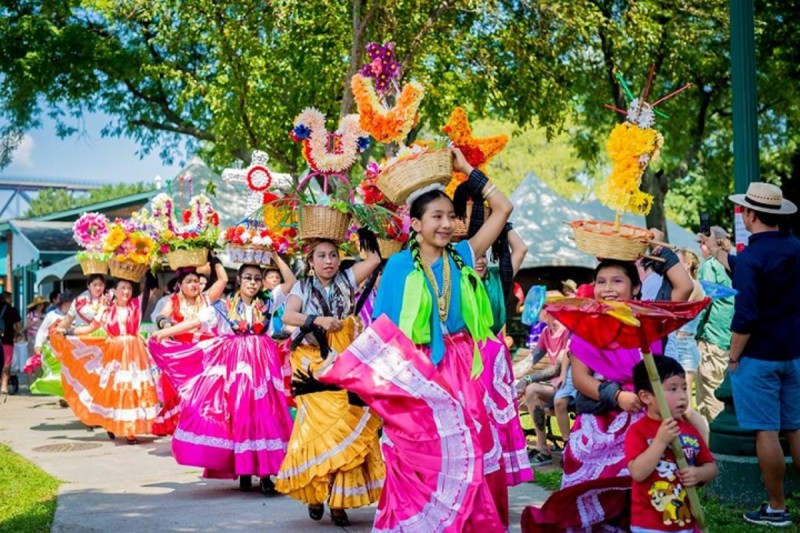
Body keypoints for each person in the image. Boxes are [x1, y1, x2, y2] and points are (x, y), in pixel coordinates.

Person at [371, 147, 514, 528]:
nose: (447, 223)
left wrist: (469, 171)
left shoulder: (464, 254)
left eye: (451, 216)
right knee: (418, 455)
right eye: (437, 216)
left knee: (470, 453)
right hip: (417, 370)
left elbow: (503, 208)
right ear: (415, 225)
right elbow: (381, 329)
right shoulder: (399, 265)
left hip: (463, 371)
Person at [522, 258, 707, 531]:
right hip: (600, 419)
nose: (607, 288)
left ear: (635, 288)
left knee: (647, 485)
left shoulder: (650, 316)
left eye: (617, 281)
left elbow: (684, 287)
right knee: (592, 487)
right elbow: (581, 377)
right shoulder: (585, 325)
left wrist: (665, 255)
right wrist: (616, 396)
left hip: (649, 416)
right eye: (601, 281)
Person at [701, 182, 800, 527]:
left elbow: (745, 317)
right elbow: (749, 269)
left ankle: (776, 508)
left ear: (751, 214)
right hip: (793, 352)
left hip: (759, 356)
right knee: (796, 428)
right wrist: (719, 253)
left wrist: (732, 358)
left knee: (766, 431)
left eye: (744, 209)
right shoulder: (794, 248)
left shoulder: (754, 257)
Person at [150, 263, 293, 494]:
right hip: (238, 371)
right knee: (243, 417)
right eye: (248, 277)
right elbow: (196, 322)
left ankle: (267, 474)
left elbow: (290, 282)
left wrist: (275, 255)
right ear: (239, 281)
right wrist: (165, 332)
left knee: (266, 417)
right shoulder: (224, 307)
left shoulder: (268, 302)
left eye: (258, 278)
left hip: (264, 369)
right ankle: (245, 472)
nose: (253, 282)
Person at [276, 239, 384, 526]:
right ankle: (314, 493)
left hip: (342, 361)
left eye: (333, 255)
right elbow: (288, 315)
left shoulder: (347, 279)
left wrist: (365, 231)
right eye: (321, 256)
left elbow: (373, 260)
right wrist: (319, 320)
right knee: (315, 429)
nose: (328, 261)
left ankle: (339, 501)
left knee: (345, 425)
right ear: (311, 261)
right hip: (310, 366)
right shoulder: (303, 286)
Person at [52, 277, 159, 444]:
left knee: (134, 388)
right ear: (114, 291)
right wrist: (68, 332)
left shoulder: (136, 305)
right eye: (122, 288)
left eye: (129, 288)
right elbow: (90, 328)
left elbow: (149, 288)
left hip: (134, 352)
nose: (126, 292)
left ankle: (130, 429)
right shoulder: (106, 310)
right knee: (115, 389)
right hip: (114, 353)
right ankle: (112, 422)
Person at [625, 357, 717, 533]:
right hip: (648, 524)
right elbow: (637, 472)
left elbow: (711, 467)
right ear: (646, 397)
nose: (682, 395)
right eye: (673, 389)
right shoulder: (638, 431)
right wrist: (660, 441)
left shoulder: (690, 430)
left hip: (685, 521)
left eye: (684, 387)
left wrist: (698, 474)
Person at [474, 228, 533, 485]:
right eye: (474, 253)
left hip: (495, 356)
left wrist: (502, 225)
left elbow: (520, 250)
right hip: (468, 354)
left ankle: (496, 477)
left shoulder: (498, 277)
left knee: (497, 416)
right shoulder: (454, 279)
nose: (480, 259)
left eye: (483, 254)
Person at [151, 259, 228, 436]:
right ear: (179, 285)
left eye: (196, 281)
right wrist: (165, 324)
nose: (194, 285)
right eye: (189, 281)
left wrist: (214, 260)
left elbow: (222, 280)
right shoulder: (174, 300)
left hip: (204, 355)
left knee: (203, 393)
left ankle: (201, 430)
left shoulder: (206, 299)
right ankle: (183, 431)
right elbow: (162, 316)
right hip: (181, 355)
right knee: (181, 394)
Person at [517, 307, 570, 467]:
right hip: (556, 387)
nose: (536, 312)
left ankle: (552, 449)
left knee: (531, 388)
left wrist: (526, 379)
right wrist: (505, 374)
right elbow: (530, 360)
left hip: (571, 386)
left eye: (539, 308)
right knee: (528, 390)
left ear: (548, 312)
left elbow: (557, 369)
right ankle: (541, 449)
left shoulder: (568, 332)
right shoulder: (547, 332)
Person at [695, 226, 734, 422]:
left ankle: (713, 442)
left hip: (712, 338)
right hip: (732, 338)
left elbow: (704, 302)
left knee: (709, 393)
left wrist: (696, 331)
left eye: (701, 243)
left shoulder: (710, 265)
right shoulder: (733, 263)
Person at [30, 291, 76, 397]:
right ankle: (63, 394)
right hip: (53, 350)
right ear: (64, 304)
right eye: (70, 304)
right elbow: (42, 330)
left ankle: (67, 394)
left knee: (69, 372)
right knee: (58, 372)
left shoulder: (74, 316)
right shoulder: (51, 315)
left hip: (70, 349)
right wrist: (38, 344)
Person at [673, 249, 705, 399]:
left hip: (685, 345)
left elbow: (679, 315)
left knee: (683, 402)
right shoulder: (688, 286)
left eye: (677, 262)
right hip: (680, 344)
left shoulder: (693, 286)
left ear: (687, 264)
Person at [0, 291, 22, 400]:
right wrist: (17, 333)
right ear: (7, 299)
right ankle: (4, 386)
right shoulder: (12, 310)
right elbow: (18, 325)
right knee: (6, 363)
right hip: (7, 340)